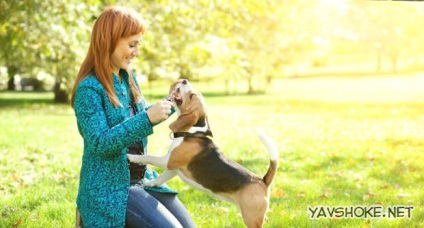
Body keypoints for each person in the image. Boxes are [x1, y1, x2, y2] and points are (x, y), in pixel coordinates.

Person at [70, 6, 195, 228]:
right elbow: (100, 143)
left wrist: (167, 105)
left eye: (139, 44)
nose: (137, 52)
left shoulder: (128, 77)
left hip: (142, 177)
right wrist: (147, 119)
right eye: (131, 45)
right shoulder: (88, 89)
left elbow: (137, 115)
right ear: (108, 41)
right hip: (110, 188)